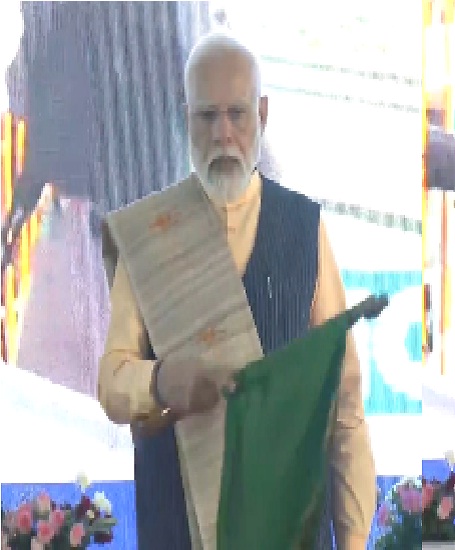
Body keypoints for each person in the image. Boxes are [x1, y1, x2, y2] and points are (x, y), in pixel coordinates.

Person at [97, 32, 376, 550]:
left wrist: (355, 540)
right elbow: (112, 381)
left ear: (262, 115)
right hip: (178, 530)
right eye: (207, 117)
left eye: (237, 114)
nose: (223, 134)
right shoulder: (148, 235)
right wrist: (161, 381)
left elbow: (344, 405)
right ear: (186, 120)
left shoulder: (303, 227)